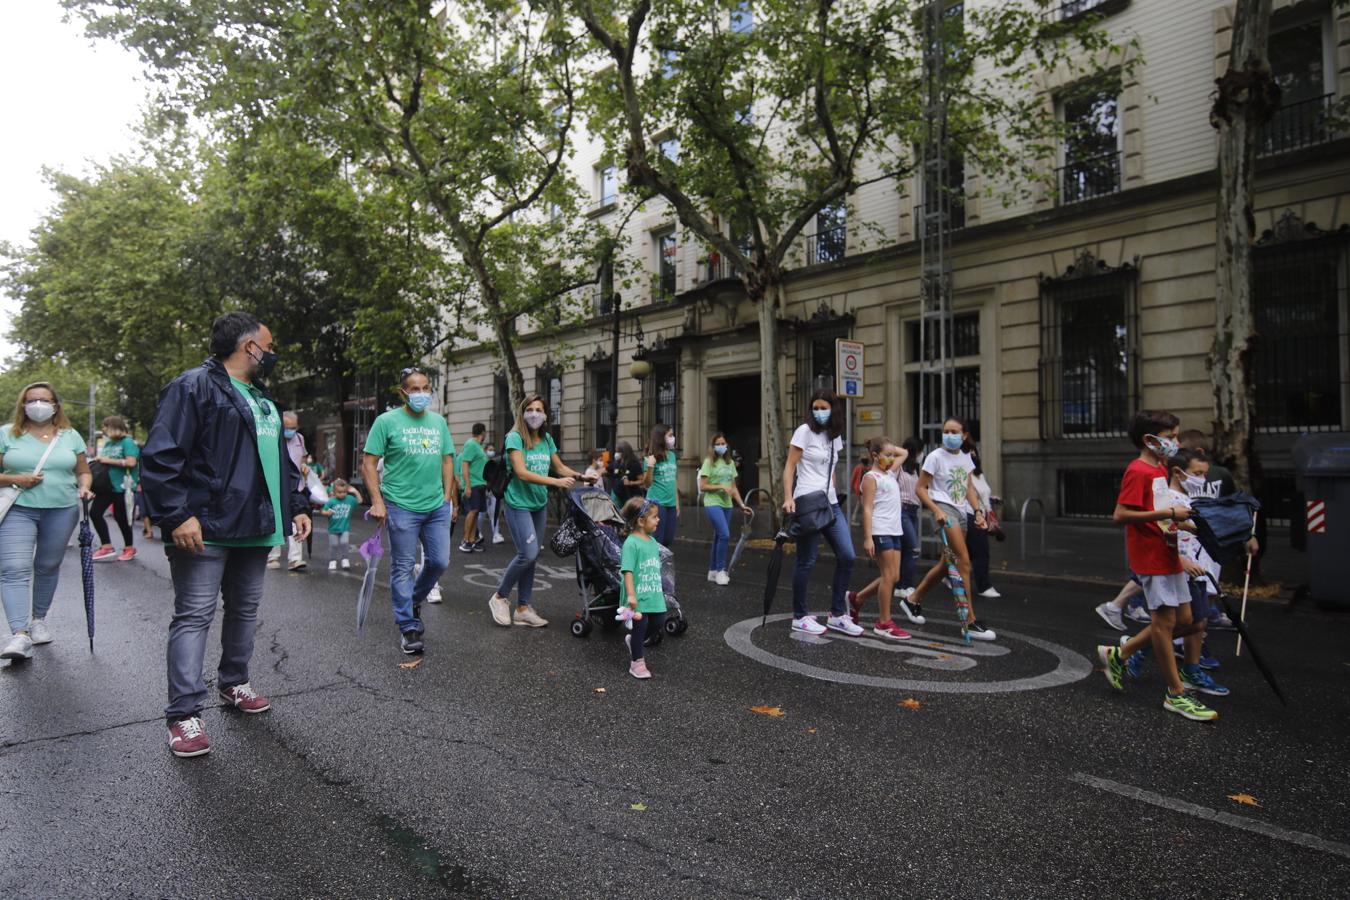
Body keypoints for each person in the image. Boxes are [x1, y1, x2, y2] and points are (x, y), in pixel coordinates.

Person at [142, 312, 312, 757]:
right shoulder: (192, 386)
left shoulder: (262, 398)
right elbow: (161, 455)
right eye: (269, 345)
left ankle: (233, 682)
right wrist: (178, 514)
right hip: (206, 527)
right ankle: (183, 715)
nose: (272, 354)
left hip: (256, 526)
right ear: (248, 346)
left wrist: (296, 506)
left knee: (245, 609)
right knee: (194, 615)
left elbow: (279, 462)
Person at [1095, 410, 1219, 722]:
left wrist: (1181, 523)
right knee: (1164, 625)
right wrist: (1170, 516)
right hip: (1151, 558)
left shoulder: (1160, 468)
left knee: (1188, 619)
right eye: (1172, 436)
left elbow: (1158, 511)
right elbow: (1121, 514)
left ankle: (1121, 653)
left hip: (1169, 552)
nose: (1176, 442)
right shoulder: (1138, 470)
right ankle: (1176, 693)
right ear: (1151, 440)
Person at [361, 366, 457, 656]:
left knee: (439, 561)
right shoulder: (386, 421)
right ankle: (408, 626)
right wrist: (377, 501)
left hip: (436, 505)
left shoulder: (438, 422)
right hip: (400, 504)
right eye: (414, 389)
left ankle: (413, 599)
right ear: (402, 392)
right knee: (403, 566)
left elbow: (447, 460)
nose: (421, 394)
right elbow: (368, 463)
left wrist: (448, 498)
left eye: (425, 388)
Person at [0, 383, 95, 661]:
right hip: (19, 508)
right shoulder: (7, 434)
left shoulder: (70, 436)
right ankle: (19, 634)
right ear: (22, 405)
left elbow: (83, 471)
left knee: (47, 565)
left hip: (62, 509)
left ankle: (39, 620)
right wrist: (16, 478)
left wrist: (85, 487)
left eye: (44, 399)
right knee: (14, 568)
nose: (38, 404)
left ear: (55, 405)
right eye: (32, 400)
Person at [488, 393, 590, 628]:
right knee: (528, 553)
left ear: (545, 415)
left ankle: (523, 608)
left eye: (539, 410)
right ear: (523, 412)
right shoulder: (515, 438)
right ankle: (500, 597)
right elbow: (522, 472)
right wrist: (554, 482)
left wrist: (581, 476)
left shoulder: (546, 440)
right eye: (530, 409)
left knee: (531, 558)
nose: (534, 414)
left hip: (538, 505)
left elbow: (560, 467)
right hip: (518, 504)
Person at [902, 418, 996, 641]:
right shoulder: (935, 457)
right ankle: (969, 621)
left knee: (947, 564)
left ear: (964, 435)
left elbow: (968, 488)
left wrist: (979, 511)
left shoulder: (966, 458)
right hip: (945, 512)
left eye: (954, 432)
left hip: (961, 512)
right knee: (963, 561)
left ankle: (912, 599)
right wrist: (935, 510)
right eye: (946, 431)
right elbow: (920, 488)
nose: (949, 435)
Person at [782, 389, 862, 637]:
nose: (818, 412)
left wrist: (835, 492)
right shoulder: (804, 432)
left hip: (830, 503)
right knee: (807, 561)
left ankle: (837, 614)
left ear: (833, 409)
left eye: (823, 407)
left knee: (847, 555)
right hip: (807, 502)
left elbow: (832, 467)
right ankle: (799, 616)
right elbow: (790, 466)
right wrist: (787, 498)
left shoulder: (834, 435)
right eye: (815, 407)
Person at [846, 437, 912, 640]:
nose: (893, 458)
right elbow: (867, 508)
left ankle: (857, 598)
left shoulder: (890, 472)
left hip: (895, 530)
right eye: (888, 455)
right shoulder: (871, 477)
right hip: (880, 530)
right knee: (888, 576)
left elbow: (905, 453)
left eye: (893, 455)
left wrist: (887, 446)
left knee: (894, 577)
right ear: (875, 456)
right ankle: (884, 622)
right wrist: (868, 538)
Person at [620, 497, 668, 679]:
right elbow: (628, 571)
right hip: (638, 595)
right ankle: (637, 662)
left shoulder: (652, 541)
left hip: (654, 592)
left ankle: (634, 641)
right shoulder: (631, 543)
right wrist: (631, 595)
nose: (658, 520)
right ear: (641, 521)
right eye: (654, 517)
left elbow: (654, 566)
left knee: (659, 621)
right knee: (641, 626)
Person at [697, 432, 752, 586]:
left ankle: (713, 571)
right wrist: (721, 486)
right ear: (713, 446)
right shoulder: (709, 462)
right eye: (718, 444)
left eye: (723, 443)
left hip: (727, 505)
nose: (721, 446)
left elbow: (733, 488)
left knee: (718, 536)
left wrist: (741, 505)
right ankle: (721, 571)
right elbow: (703, 486)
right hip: (712, 503)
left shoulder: (730, 463)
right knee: (725, 535)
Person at [89, 414, 140, 562]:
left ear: (114, 427)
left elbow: (131, 462)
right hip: (106, 486)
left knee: (122, 518)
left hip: (122, 486)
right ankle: (106, 546)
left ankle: (129, 547)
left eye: (105, 427)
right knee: (95, 513)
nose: (103, 430)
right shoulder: (109, 444)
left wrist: (107, 460)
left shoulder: (128, 442)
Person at [268, 411, 309, 572]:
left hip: (295, 487)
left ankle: (295, 559)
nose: (290, 431)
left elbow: (303, 457)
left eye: (294, 427)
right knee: (276, 521)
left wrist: (305, 467)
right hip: (276, 486)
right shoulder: (273, 437)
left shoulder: (299, 438)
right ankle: (273, 557)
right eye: (287, 428)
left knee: (297, 520)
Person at [964, 430, 1000, 600]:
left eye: (974, 452)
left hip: (982, 515)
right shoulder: (965, 474)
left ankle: (949, 577)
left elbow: (984, 493)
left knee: (968, 552)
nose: (972, 455)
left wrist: (991, 503)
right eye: (969, 453)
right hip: (970, 514)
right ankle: (983, 586)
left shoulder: (979, 474)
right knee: (981, 551)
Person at [895, 436, 923, 615]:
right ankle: (906, 585)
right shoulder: (899, 468)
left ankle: (901, 585)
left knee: (906, 550)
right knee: (913, 549)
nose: (922, 454)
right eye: (920, 451)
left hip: (913, 511)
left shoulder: (915, 470)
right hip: (902, 511)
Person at [642, 424, 680, 547]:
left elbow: (673, 480)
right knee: (657, 540)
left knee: (668, 539)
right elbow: (647, 484)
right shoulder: (651, 458)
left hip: (671, 504)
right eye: (670, 435)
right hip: (657, 503)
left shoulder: (672, 456)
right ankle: (653, 565)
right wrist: (650, 466)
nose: (673, 438)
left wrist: (677, 503)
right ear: (661, 438)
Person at [458, 423, 489, 553]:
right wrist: (468, 486)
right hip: (474, 484)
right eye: (485, 432)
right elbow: (465, 465)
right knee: (472, 511)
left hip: (480, 484)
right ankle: (465, 540)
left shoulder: (478, 447)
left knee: (476, 512)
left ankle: (472, 540)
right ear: (483, 432)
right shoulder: (471, 444)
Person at [320, 478, 363, 570]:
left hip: (344, 527)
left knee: (344, 543)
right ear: (334, 492)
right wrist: (327, 513)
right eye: (339, 492)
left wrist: (355, 491)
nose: (342, 494)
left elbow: (360, 501)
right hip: (333, 529)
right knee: (334, 545)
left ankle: (345, 559)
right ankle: (333, 560)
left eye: (344, 492)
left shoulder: (350, 499)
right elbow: (323, 511)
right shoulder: (331, 501)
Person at [607, 440, 645, 506]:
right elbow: (608, 469)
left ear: (624, 452)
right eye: (616, 452)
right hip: (617, 494)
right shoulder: (617, 462)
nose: (616, 454)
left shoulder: (634, 464)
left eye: (618, 452)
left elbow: (642, 480)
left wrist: (631, 483)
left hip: (630, 496)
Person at [483, 441, 504, 544]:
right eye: (489, 450)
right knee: (486, 513)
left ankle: (496, 533)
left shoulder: (496, 462)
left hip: (495, 491)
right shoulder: (483, 462)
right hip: (486, 490)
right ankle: (491, 534)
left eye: (493, 450)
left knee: (495, 513)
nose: (491, 452)